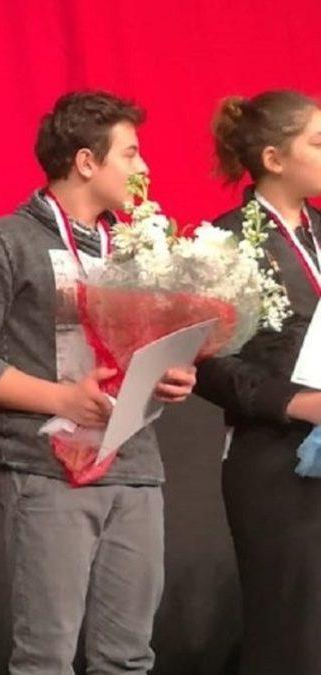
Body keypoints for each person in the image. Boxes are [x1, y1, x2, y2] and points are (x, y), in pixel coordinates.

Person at [0, 91, 196, 674]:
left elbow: (149, 349)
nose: (143, 168)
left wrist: (173, 374)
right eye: (131, 154)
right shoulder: (4, 241)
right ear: (87, 162)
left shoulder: (141, 251)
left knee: (128, 658)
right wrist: (63, 399)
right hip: (48, 472)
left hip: (136, 469)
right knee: (47, 659)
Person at [195, 90, 321, 674]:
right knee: (293, 634)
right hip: (275, 458)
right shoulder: (224, 243)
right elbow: (207, 362)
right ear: (274, 158)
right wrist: (298, 403)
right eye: (317, 143)